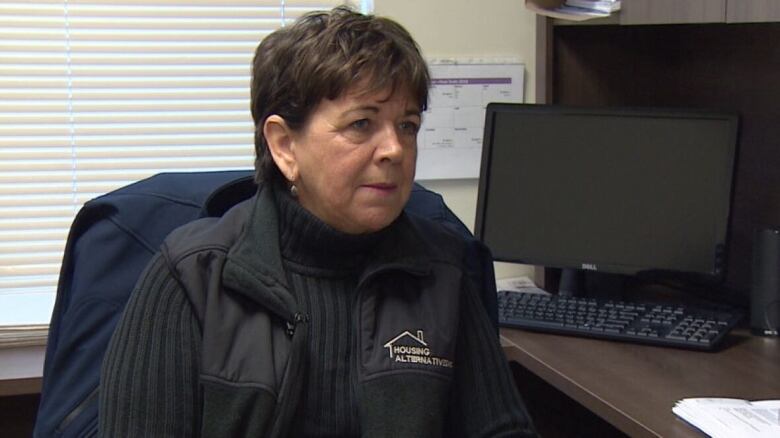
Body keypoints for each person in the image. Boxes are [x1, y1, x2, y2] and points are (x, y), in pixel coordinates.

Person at [99, 6, 537, 437]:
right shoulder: (192, 277)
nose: (395, 150)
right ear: (285, 145)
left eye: (407, 125)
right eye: (362, 124)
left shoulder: (443, 271)